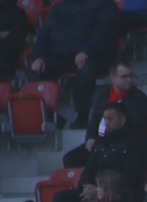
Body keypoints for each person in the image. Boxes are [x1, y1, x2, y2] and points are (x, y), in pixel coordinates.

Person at [28, 0, 119, 130]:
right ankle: (50, 116)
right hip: (60, 56)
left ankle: (82, 116)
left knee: (86, 68)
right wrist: (39, 57)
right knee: (32, 69)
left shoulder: (105, 5)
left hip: (92, 55)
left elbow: (104, 32)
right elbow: (45, 32)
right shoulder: (59, 7)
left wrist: (86, 51)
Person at [52, 103, 147, 202]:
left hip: (120, 192)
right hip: (97, 189)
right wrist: (87, 188)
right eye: (105, 119)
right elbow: (89, 170)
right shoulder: (100, 143)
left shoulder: (135, 144)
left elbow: (130, 176)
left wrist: (102, 191)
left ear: (122, 120)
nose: (106, 123)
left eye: (110, 119)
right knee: (59, 199)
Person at [63, 61, 147, 169]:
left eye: (131, 75)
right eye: (124, 77)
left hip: (122, 144)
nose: (129, 80)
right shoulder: (102, 97)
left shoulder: (139, 98)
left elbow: (137, 127)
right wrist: (90, 138)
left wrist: (108, 139)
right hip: (100, 143)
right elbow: (94, 121)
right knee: (70, 158)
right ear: (112, 78)